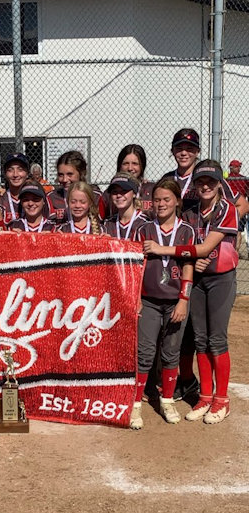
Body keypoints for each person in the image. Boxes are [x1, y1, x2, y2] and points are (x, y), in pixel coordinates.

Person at [145, 160, 239, 424]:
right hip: (198, 279)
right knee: (200, 339)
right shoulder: (191, 211)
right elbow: (190, 247)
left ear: (219, 183)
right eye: (200, 182)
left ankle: (222, 400)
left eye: (210, 181)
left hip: (221, 279)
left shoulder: (226, 209)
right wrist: (194, 257)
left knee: (216, 338)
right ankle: (205, 396)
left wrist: (163, 250)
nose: (205, 186)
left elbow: (203, 248)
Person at [161, 129, 247, 401]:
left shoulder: (214, 183)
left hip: (212, 266)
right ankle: (191, 385)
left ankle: (216, 397)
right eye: (179, 147)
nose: (184, 152)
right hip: (187, 264)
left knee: (214, 336)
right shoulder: (169, 180)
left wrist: (222, 239)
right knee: (191, 333)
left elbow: (241, 204)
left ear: (197, 151)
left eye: (189, 147)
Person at [130, 179, 195, 429]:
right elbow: (137, 267)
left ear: (177, 201)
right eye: (157, 199)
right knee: (145, 353)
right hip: (148, 300)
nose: (161, 204)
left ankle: (167, 399)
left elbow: (188, 267)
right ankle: (136, 404)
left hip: (175, 302)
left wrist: (183, 300)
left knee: (170, 353)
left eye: (167, 199)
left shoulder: (186, 230)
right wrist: (136, 298)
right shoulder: (144, 229)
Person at [47, 151, 101, 225]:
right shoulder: (51, 198)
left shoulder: (96, 196)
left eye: (70, 174)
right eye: (61, 175)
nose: (65, 179)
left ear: (81, 173)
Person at [100, 145, 154, 218]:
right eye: (126, 163)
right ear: (120, 166)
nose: (130, 168)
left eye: (135, 163)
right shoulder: (109, 193)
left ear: (142, 166)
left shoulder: (152, 190)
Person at [102, 173, 148, 240]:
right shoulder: (108, 224)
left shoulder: (144, 222)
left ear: (134, 194)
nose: (118, 195)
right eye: (114, 192)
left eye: (124, 191)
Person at [0, 153, 31, 224]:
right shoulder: (0, 199)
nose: (15, 174)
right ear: (5, 173)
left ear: (27, 173)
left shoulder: (35, 199)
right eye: (10, 170)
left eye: (20, 169)